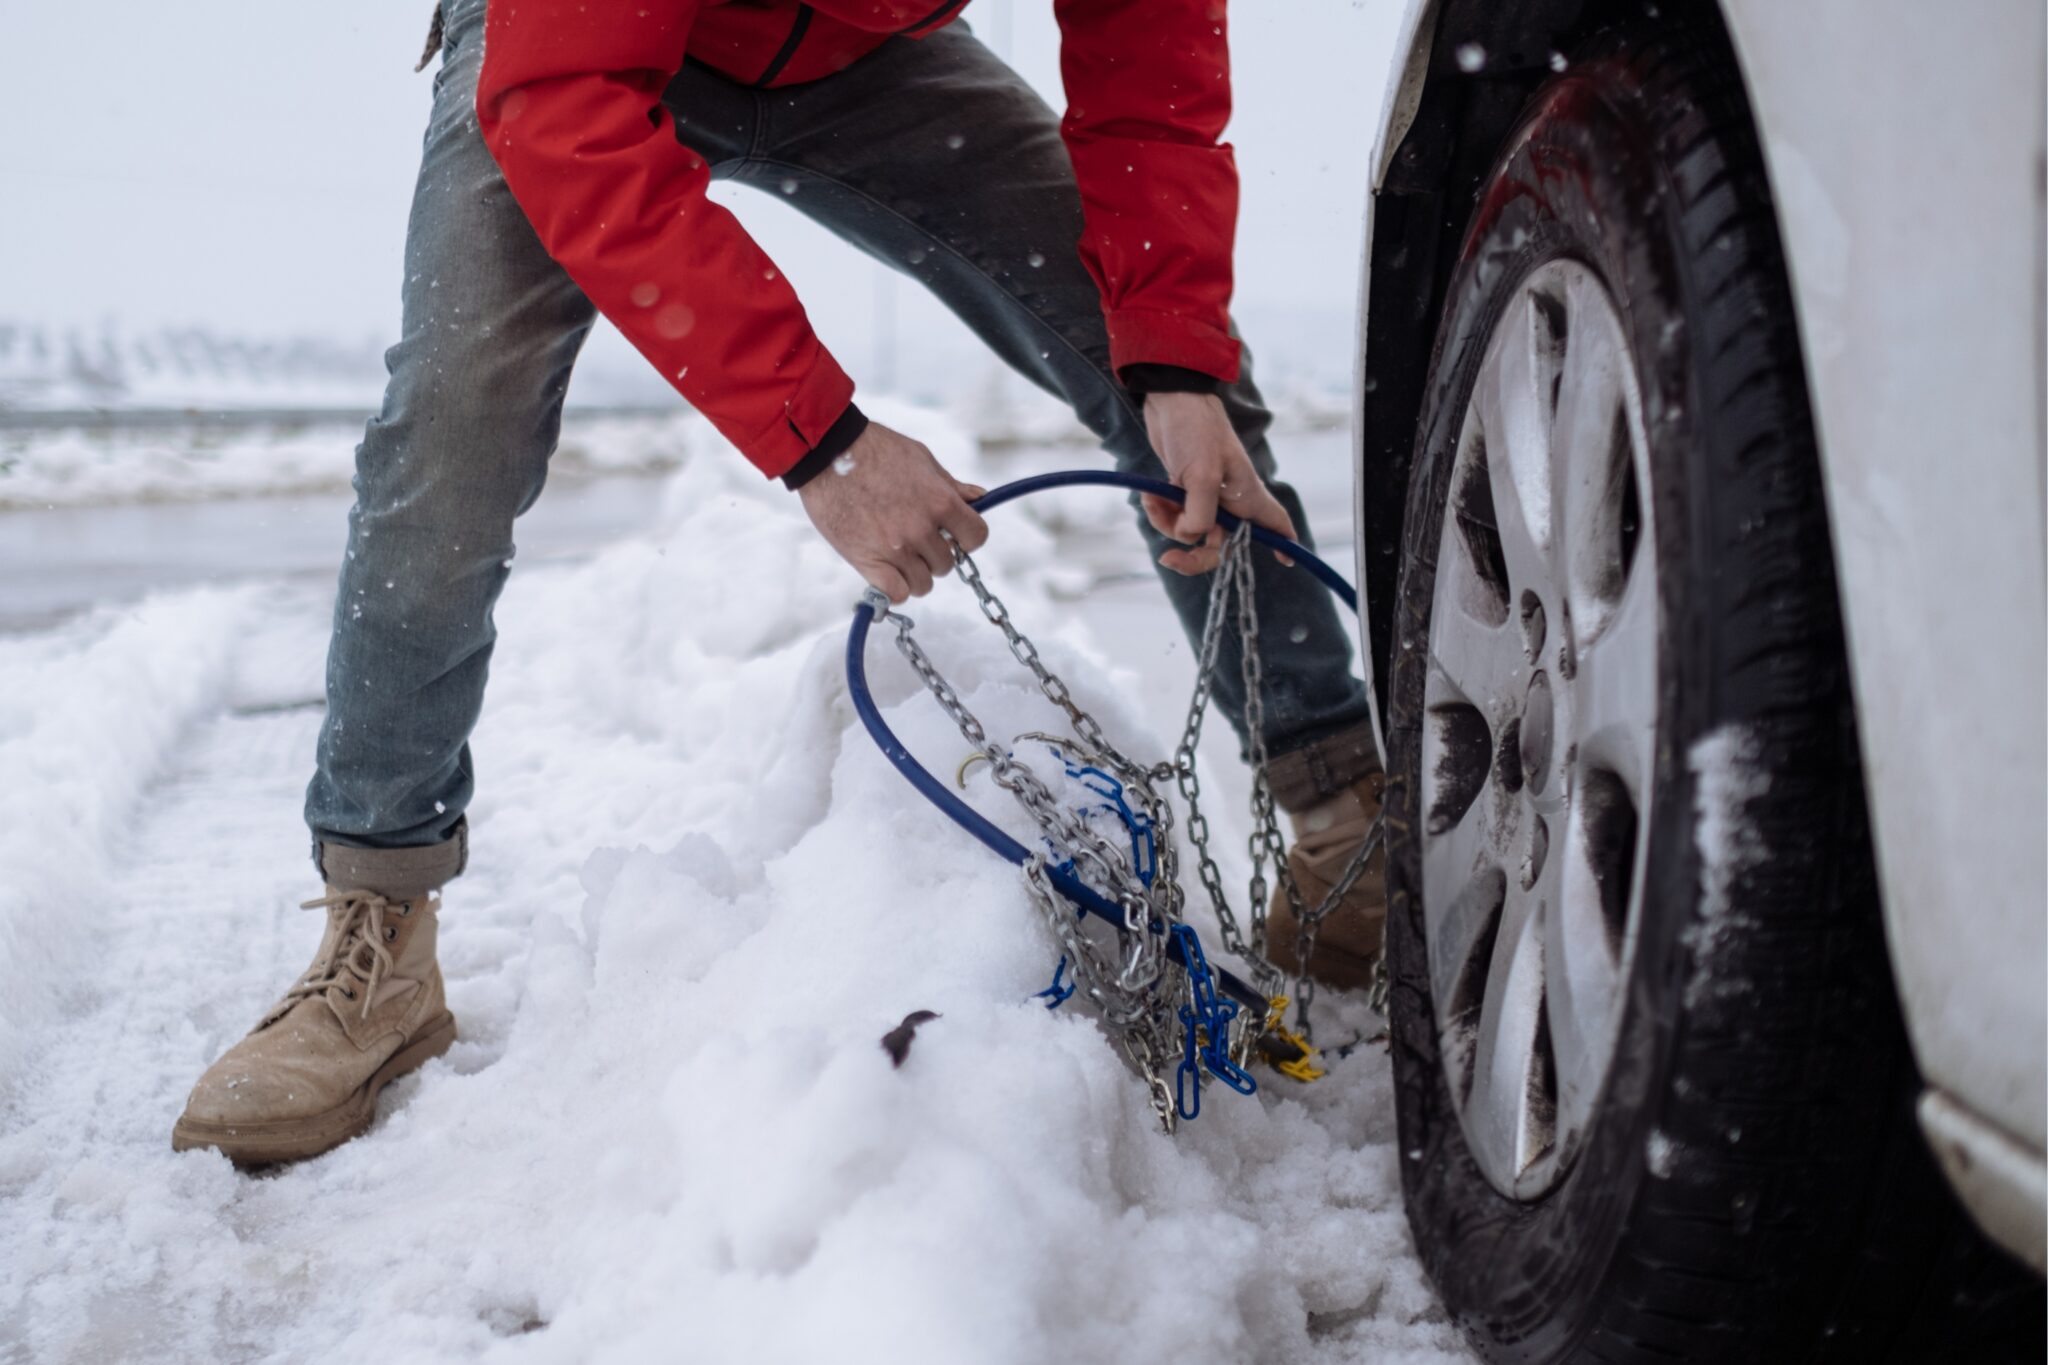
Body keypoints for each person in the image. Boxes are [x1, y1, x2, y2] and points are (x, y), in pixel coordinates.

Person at [171, 0, 1387, 1165]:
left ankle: (1340, 834)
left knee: (1176, 381)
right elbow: (564, 106)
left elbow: (1148, 71)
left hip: (867, 53)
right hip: (575, 50)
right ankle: (376, 930)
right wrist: (823, 441)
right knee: (449, 437)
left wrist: (1172, 353)